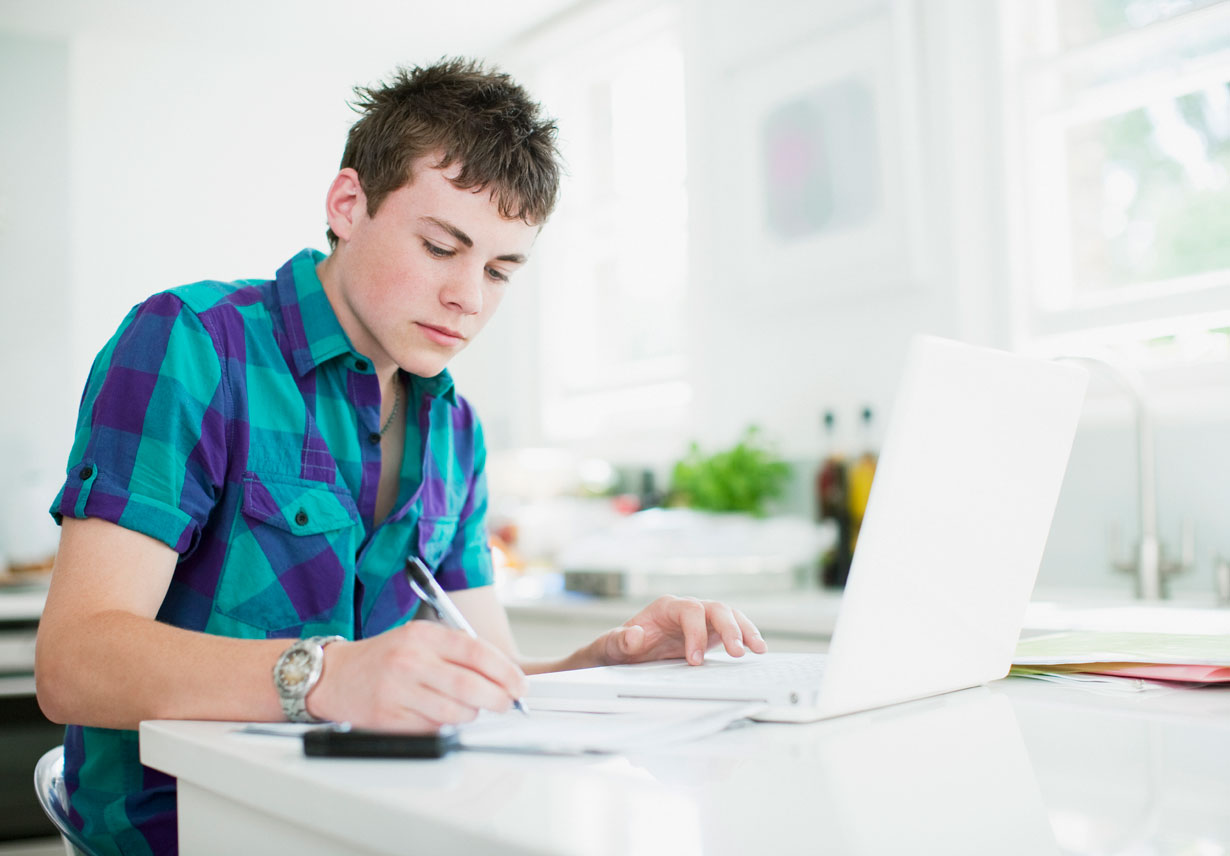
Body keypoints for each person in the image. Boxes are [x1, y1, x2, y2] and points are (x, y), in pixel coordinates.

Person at [34, 57, 767, 855]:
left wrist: (607, 662)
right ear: (349, 204)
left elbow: (486, 681)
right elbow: (75, 662)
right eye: (440, 247)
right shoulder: (195, 345)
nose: (470, 299)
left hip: (361, 832)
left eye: (498, 270)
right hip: (189, 834)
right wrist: (326, 676)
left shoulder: (456, 431)